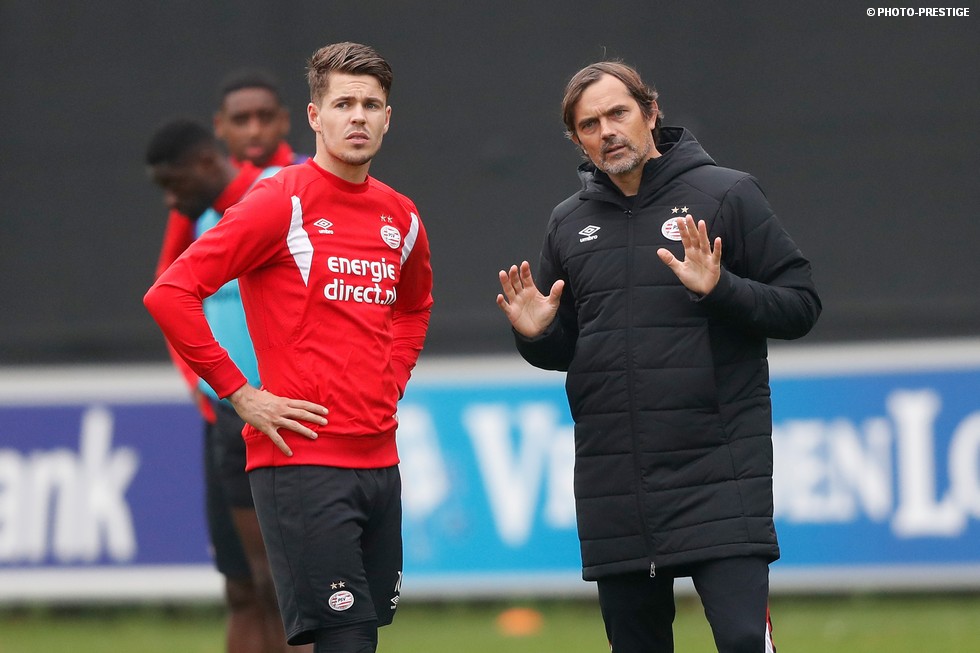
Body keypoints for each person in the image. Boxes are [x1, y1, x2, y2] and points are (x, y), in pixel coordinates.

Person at [496, 60, 821, 653]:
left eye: (618, 113)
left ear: (650, 112)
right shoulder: (568, 223)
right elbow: (569, 347)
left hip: (719, 471)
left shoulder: (727, 194)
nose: (607, 131)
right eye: (589, 124)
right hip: (616, 484)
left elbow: (800, 306)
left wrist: (720, 288)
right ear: (576, 139)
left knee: (744, 639)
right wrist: (536, 335)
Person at [145, 42, 433, 653]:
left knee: (363, 635)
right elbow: (170, 293)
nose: (358, 117)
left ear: (388, 118)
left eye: (371, 105)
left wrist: (392, 379)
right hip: (301, 463)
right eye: (343, 104)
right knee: (338, 636)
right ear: (314, 116)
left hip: (380, 460)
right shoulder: (281, 200)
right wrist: (239, 393)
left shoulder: (401, 216)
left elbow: (413, 308)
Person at [145, 118, 307, 653]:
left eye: (173, 184)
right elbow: (168, 295)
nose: (171, 200)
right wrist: (201, 383)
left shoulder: (284, 194)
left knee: (288, 589)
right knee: (245, 586)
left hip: (285, 412)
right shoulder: (199, 218)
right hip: (229, 414)